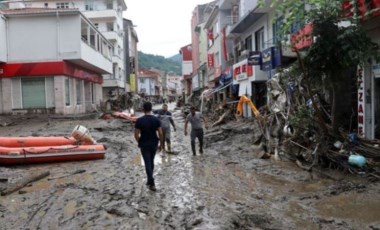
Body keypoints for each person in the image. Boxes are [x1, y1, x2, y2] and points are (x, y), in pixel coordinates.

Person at [134, 101, 164, 191]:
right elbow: (161, 133)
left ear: (143, 109)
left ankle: (151, 182)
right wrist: (161, 144)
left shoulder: (139, 120)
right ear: (151, 109)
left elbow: (136, 134)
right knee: (151, 161)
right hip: (154, 143)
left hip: (144, 144)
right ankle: (149, 180)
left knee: (147, 162)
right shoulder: (156, 120)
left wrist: (140, 142)